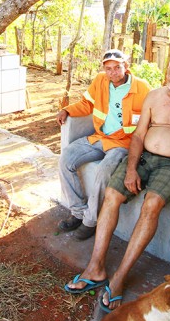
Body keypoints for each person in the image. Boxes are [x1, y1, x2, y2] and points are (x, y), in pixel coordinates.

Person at [64, 53, 170, 312]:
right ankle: (95, 268)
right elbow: (139, 135)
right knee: (112, 195)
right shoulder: (155, 96)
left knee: (151, 203)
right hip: (144, 158)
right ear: (166, 73)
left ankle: (118, 279)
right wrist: (131, 168)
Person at [57, 49, 151, 240]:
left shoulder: (142, 88)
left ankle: (90, 221)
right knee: (66, 158)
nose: (112, 72)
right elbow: (86, 104)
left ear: (126, 66)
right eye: (108, 69)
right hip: (99, 137)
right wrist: (67, 110)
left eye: (117, 67)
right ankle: (78, 212)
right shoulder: (100, 81)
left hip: (122, 143)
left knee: (103, 173)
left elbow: (158, 110)